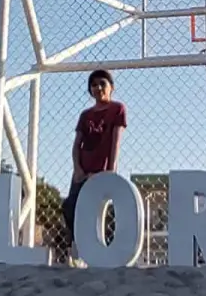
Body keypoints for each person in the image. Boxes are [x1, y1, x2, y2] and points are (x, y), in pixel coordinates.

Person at [57, 69, 127, 266]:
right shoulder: (85, 115)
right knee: (71, 207)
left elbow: (115, 141)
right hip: (82, 172)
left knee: (100, 211)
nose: (98, 88)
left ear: (111, 87)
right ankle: (76, 249)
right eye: (93, 85)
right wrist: (78, 169)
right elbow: (77, 144)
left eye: (102, 84)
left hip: (102, 171)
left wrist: (110, 170)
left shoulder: (117, 109)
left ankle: (103, 252)